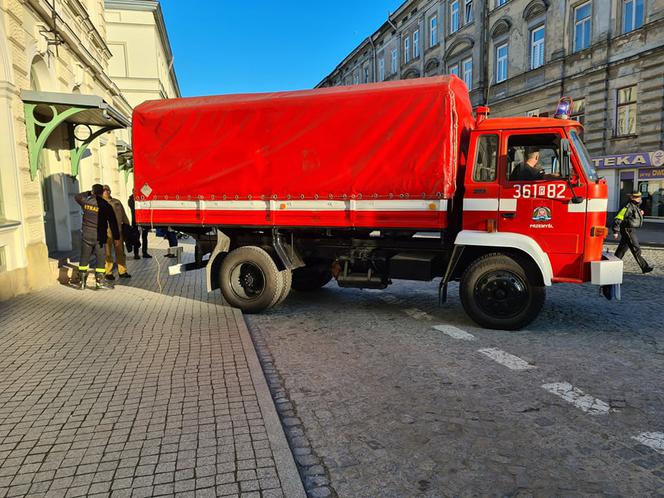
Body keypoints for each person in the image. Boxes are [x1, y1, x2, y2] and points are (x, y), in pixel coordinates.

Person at [74, 184, 120, 290]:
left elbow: (77, 196)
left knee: (84, 258)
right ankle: (100, 282)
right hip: (99, 237)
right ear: (102, 192)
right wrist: (116, 238)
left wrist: (89, 193)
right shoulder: (106, 205)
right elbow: (113, 223)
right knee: (100, 258)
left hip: (86, 235)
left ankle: (82, 283)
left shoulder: (86, 202)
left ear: (93, 191)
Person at [612, 191, 654, 274]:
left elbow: (633, 215)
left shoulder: (635, 205)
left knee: (621, 250)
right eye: (637, 197)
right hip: (628, 230)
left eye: (640, 197)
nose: (639, 198)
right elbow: (618, 218)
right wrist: (615, 230)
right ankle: (645, 267)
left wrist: (640, 213)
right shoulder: (627, 206)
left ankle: (613, 265)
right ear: (632, 197)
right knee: (636, 249)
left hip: (631, 229)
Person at [102, 185, 132, 279]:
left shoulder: (117, 202)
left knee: (120, 252)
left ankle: (122, 271)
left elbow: (123, 214)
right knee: (108, 253)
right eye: (104, 190)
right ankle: (108, 272)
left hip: (118, 231)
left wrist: (127, 225)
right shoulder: (100, 202)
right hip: (106, 232)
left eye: (107, 190)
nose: (106, 191)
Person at [127, 194, 152, 259]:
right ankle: (136, 254)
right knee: (136, 238)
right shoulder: (131, 199)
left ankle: (145, 252)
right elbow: (133, 208)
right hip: (136, 222)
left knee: (145, 238)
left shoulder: (144, 198)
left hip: (145, 222)